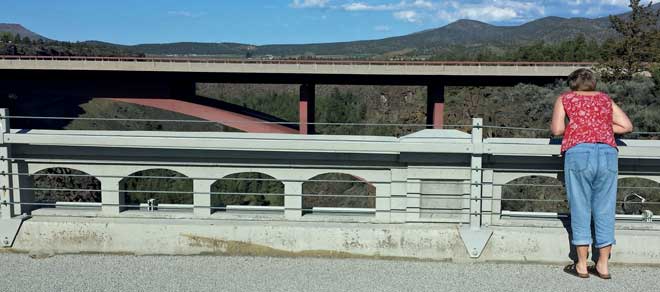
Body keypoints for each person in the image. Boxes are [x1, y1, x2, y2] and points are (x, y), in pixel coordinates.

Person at [551, 68, 633, 279]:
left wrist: (580, 127)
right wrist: (600, 126)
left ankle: (581, 263)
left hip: (579, 152)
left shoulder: (566, 99)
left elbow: (557, 130)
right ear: (594, 83)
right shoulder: (605, 99)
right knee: (605, 208)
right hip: (607, 152)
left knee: (580, 206)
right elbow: (626, 125)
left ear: (572, 84)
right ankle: (603, 266)